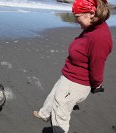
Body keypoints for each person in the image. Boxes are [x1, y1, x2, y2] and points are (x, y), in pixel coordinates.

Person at [33, 0, 113, 132]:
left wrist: (97, 84)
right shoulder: (92, 26)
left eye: (77, 16)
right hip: (69, 74)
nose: (75, 20)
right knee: (54, 94)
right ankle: (44, 114)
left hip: (77, 82)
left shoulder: (100, 38)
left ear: (91, 13)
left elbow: (97, 66)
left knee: (61, 110)